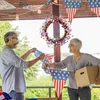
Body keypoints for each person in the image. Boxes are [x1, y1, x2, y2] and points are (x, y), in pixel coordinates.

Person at [0, 31, 45, 100]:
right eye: (16, 39)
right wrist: (39, 58)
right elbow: (24, 65)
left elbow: (19, 61)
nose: (17, 41)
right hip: (13, 90)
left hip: (13, 89)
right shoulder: (7, 52)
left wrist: (29, 52)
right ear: (10, 38)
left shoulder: (9, 51)